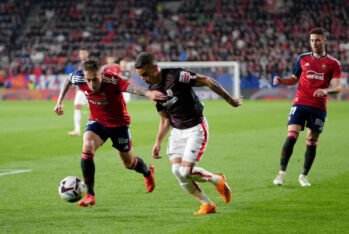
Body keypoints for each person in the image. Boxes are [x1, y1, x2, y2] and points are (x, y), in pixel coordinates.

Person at [134, 52, 243, 215]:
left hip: (195, 129)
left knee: (185, 172)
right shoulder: (153, 91)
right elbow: (165, 120)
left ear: (155, 68)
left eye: (145, 74)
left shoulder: (176, 76)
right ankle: (207, 204)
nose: (143, 79)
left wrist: (230, 100)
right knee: (177, 171)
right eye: (140, 76)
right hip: (177, 132)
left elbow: (206, 80)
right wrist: (158, 142)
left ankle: (217, 180)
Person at [53, 59, 166, 207]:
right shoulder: (79, 77)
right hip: (97, 121)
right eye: (88, 80)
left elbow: (130, 87)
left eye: (95, 79)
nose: (92, 84)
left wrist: (148, 93)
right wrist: (59, 101)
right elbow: (68, 79)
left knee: (129, 163)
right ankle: (90, 195)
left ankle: (147, 172)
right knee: (87, 146)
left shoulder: (112, 80)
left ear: (101, 74)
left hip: (119, 125)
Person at [272, 27, 342, 187]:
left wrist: (326, 90)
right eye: (311, 40)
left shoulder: (333, 63)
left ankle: (303, 176)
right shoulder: (302, 58)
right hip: (300, 102)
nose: (314, 43)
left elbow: (337, 87)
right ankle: (281, 174)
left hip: (318, 107)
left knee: (312, 141)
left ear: (325, 40)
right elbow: (294, 78)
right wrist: (282, 81)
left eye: (317, 40)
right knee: (291, 136)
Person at [68, 48, 90, 136]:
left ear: (87, 54)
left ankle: (98, 128)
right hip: (80, 90)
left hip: (89, 90)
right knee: (77, 107)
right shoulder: (79, 65)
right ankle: (77, 130)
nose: (82, 55)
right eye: (81, 53)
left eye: (84, 53)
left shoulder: (91, 64)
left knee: (94, 109)